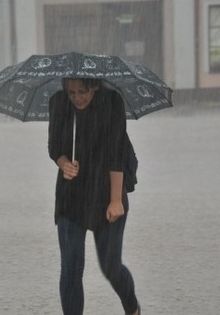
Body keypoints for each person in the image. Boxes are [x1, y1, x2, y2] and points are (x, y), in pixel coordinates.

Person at [48, 77, 140, 315]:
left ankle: (132, 307)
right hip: (71, 196)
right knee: (71, 267)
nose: (76, 98)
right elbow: (54, 146)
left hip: (106, 191)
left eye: (82, 91)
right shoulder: (58, 103)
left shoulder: (111, 102)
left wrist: (116, 200)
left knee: (111, 267)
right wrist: (64, 163)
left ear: (96, 86)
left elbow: (116, 152)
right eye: (71, 92)